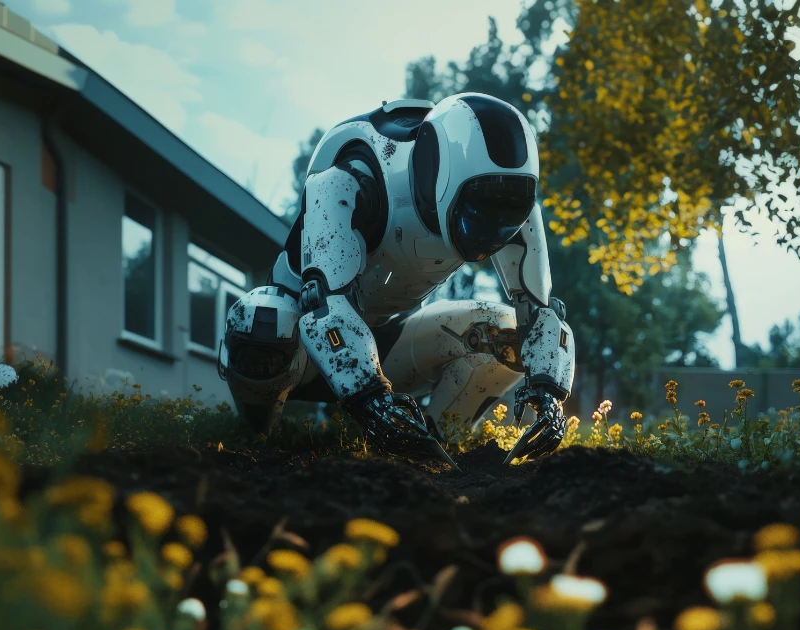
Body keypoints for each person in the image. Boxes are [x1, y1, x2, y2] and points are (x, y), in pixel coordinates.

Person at [218, 93, 575, 466]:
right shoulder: (349, 180)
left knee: (506, 336)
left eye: (509, 207)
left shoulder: (513, 207)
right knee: (262, 319)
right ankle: (255, 443)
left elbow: (541, 313)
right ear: (439, 173)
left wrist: (549, 393)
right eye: (480, 203)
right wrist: (369, 400)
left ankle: (436, 454)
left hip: (389, 342)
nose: (492, 227)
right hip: (301, 350)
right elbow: (324, 308)